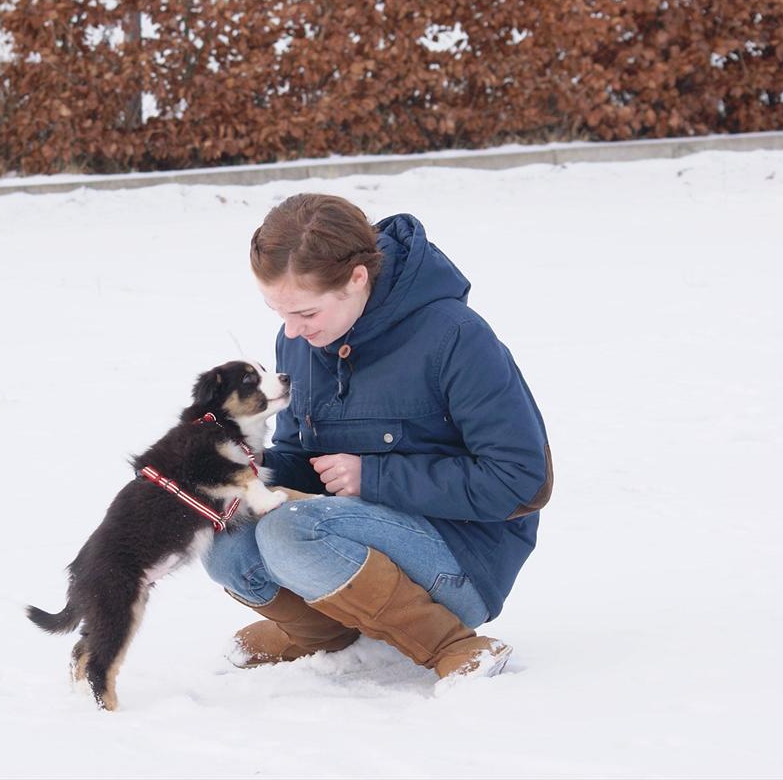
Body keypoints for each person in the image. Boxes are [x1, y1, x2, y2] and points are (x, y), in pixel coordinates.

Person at [201, 193, 553, 683]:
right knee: (221, 533)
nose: (291, 331)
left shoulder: (454, 336)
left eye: (305, 312)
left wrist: (375, 476)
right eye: (279, 313)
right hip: (355, 539)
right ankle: (323, 636)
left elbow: (522, 480)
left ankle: (449, 644)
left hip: (462, 556)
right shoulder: (303, 342)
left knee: (290, 530)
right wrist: (227, 476)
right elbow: (305, 457)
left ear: (356, 279)